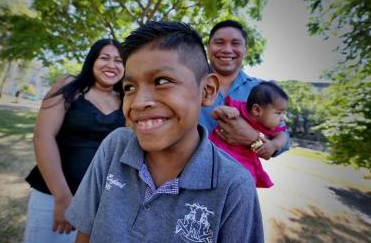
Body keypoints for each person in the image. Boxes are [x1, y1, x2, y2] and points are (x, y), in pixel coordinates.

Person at [66, 21, 264, 242]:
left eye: (162, 81)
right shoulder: (115, 147)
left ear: (207, 91)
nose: (138, 103)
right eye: (130, 87)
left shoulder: (234, 185)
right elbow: (85, 234)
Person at [24, 39, 125, 243]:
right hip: (52, 197)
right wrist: (62, 199)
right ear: (92, 60)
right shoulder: (69, 86)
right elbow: (43, 138)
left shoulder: (127, 99)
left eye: (119, 60)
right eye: (104, 58)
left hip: (99, 203)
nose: (112, 65)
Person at [200, 19, 289, 160]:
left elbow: (283, 138)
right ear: (208, 47)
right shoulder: (188, 83)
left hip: (241, 175)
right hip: (189, 176)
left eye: (235, 43)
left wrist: (253, 138)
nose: (227, 49)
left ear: (246, 50)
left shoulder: (263, 91)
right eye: (219, 42)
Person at [210, 81, 289, 188]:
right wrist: (226, 109)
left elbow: (282, 136)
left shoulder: (271, 125)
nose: (283, 118)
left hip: (244, 160)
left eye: (284, 113)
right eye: (279, 113)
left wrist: (274, 144)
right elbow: (215, 113)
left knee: (245, 182)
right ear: (257, 110)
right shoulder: (239, 109)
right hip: (216, 151)